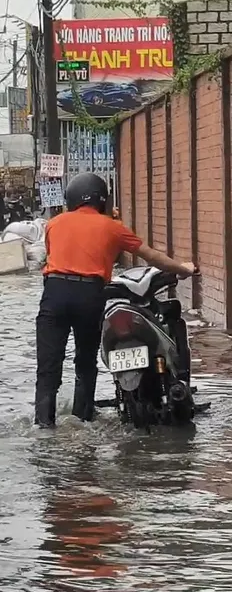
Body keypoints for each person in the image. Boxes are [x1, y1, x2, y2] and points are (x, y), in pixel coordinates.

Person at [34, 172, 196, 428]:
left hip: (54, 293)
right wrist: (183, 268)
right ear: (102, 200)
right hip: (90, 294)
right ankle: (82, 418)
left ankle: (43, 425)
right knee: (85, 362)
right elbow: (151, 256)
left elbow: (55, 256)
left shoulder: (54, 223)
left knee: (48, 365)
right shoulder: (112, 227)